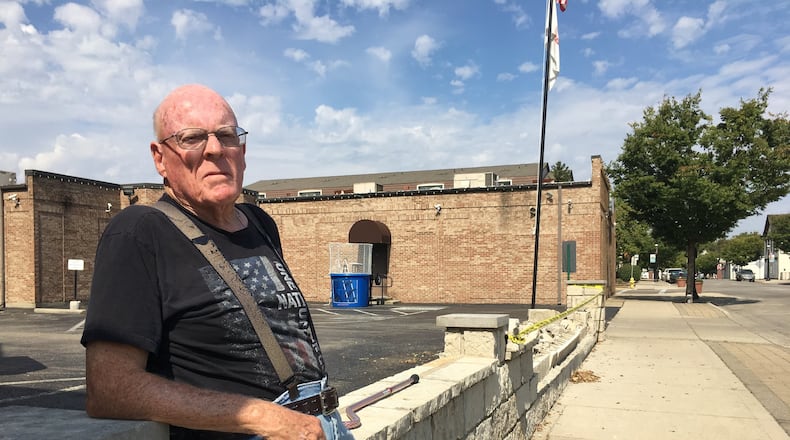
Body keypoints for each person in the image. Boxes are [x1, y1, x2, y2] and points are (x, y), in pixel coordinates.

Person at [81, 84, 353, 440]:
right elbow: (110, 389)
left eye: (226, 136)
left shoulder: (260, 223)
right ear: (160, 157)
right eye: (191, 138)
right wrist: (259, 416)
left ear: (242, 151)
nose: (214, 150)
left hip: (322, 426)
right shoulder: (139, 231)